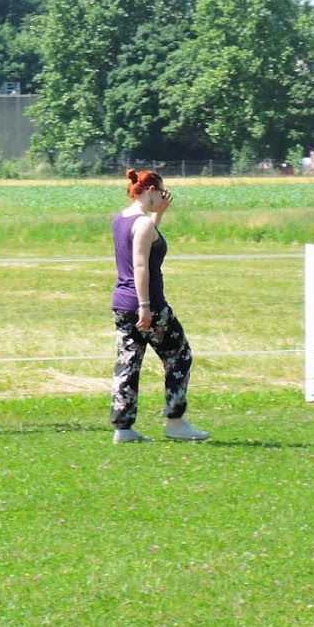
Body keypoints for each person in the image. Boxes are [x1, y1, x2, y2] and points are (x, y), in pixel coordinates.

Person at [109, 168, 208, 443]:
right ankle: (175, 421)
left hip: (120, 303)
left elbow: (144, 242)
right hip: (148, 304)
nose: (162, 196)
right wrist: (145, 306)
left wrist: (159, 214)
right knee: (180, 355)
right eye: (160, 191)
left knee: (127, 364)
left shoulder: (122, 219)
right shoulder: (143, 224)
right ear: (150, 191)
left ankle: (123, 428)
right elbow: (141, 265)